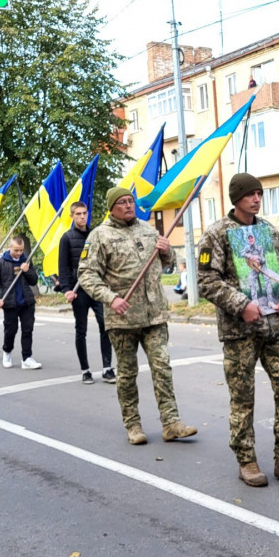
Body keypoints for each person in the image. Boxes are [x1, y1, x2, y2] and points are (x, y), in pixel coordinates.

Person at [197, 173, 279, 487]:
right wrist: (240, 304)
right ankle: (246, 460)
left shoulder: (268, 231)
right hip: (241, 331)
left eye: (259, 194)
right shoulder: (216, 234)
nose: (256, 199)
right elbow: (207, 281)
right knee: (243, 397)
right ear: (235, 198)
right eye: (250, 194)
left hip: (275, 326)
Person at [79, 186, 197, 445]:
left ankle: (171, 422)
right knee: (127, 373)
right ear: (112, 208)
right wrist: (111, 298)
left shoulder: (148, 229)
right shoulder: (100, 235)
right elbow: (87, 274)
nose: (128, 206)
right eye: (122, 202)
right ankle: (133, 424)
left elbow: (167, 264)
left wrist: (167, 251)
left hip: (154, 315)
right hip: (122, 318)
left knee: (162, 367)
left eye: (130, 201)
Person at [57, 200, 115, 383]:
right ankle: (85, 370)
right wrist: (67, 289)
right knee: (81, 330)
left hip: (97, 287)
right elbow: (63, 266)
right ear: (72, 216)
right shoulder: (66, 238)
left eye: (84, 213)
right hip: (78, 290)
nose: (82, 216)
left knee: (105, 326)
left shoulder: (95, 235)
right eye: (78, 214)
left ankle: (107, 368)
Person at [0, 234, 42, 370]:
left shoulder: (26, 261)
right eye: (16, 250)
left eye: (21, 250)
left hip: (26, 303)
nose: (19, 253)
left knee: (28, 330)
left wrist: (27, 271)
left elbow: (33, 280)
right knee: (10, 331)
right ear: (9, 247)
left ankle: (27, 358)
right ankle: (7, 352)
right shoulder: (0, 263)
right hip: (9, 302)